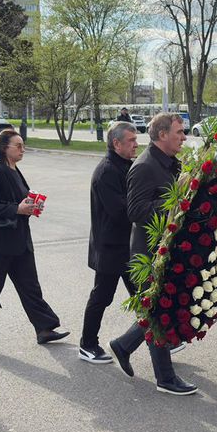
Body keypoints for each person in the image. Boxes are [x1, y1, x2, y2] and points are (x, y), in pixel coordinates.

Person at [109, 113, 197, 395]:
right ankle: (165, 378)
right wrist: (176, 202)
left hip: (169, 248)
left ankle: (123, 345)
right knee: (159, 312)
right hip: (149, 253)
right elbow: (135, 211)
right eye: (179, 132)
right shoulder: (144, 167)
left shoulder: (173, 163)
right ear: (162, 135)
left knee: (159, 309)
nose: (184, 137)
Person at [0, 130, 69, 345]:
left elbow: (18, 200)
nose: (22, 149)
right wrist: (16, 209)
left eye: (23, 145)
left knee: (30, 286)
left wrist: (32, 205)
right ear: (4, 148)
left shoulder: (14, 170)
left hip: (20, 241)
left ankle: (44, 328)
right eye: (17, 146)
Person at [79, 122, 139, 363]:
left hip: (127, 246)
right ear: (116, 144)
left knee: (143, 295)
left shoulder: (125, 166)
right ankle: (87, 344)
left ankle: (162, 339)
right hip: (111, 247)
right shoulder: (106, 171)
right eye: (131, 140)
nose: (136, 144)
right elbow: (120, 211)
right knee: (102, 296)